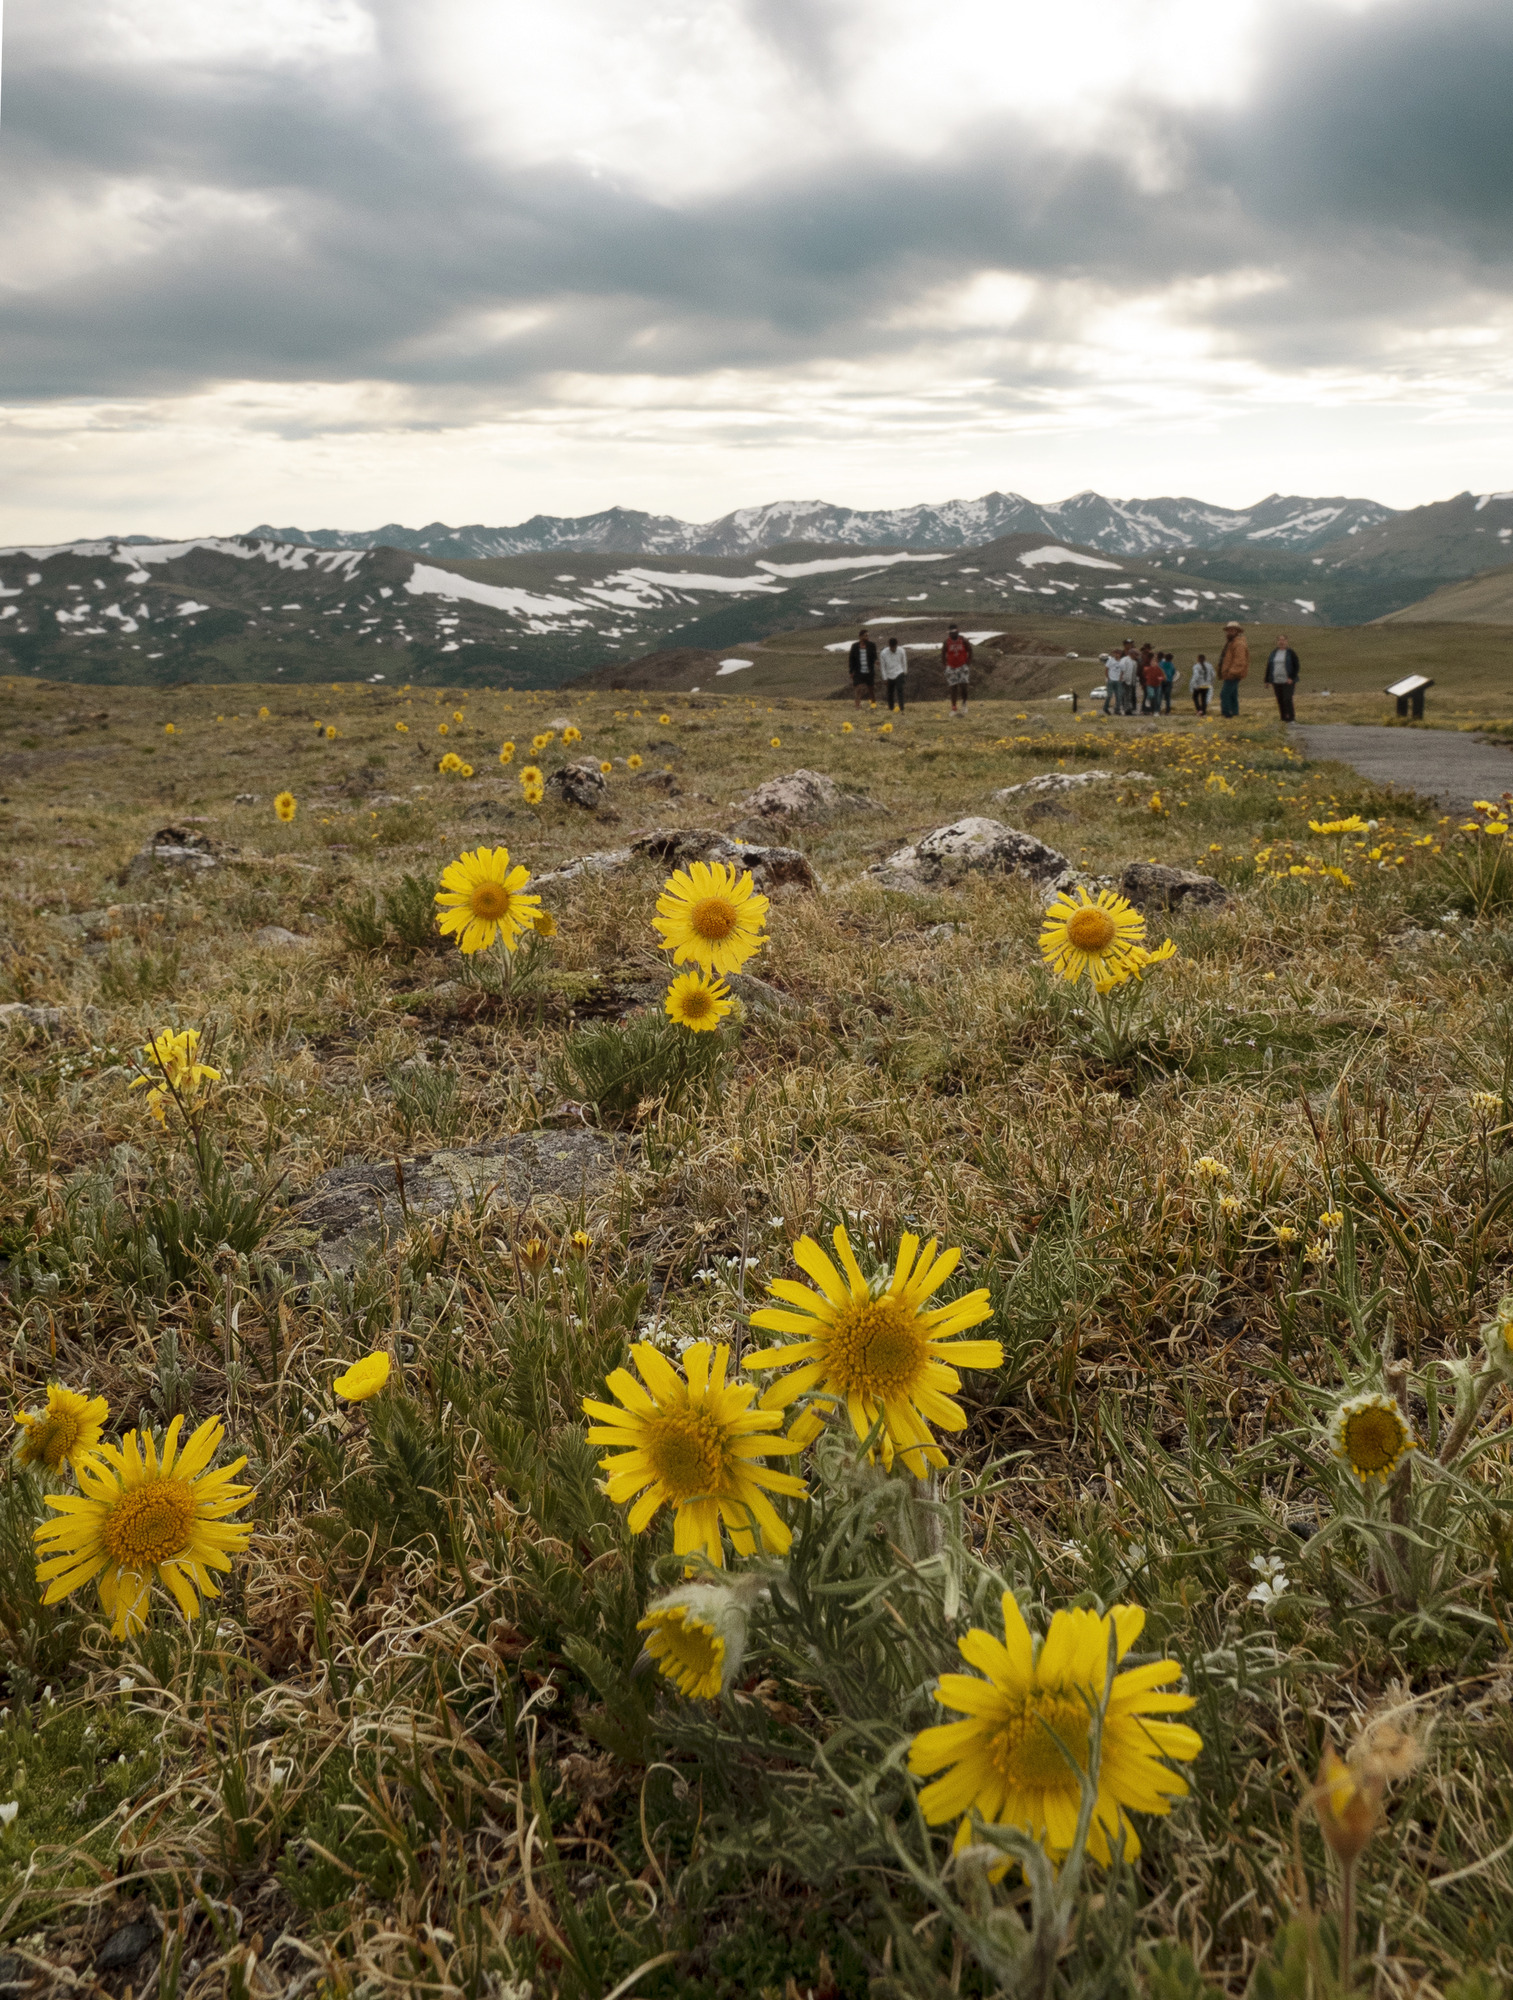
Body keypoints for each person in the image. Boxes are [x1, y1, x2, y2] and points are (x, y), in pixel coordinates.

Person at [1265, 631, 1300, 723]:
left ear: (1287, 641)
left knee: (1287, 698)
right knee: (1280, 699)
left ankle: (1291, 718)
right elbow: (1269, 666)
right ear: (1277, 642)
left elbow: (1296, 666)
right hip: (1276, 680)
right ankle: (1283, 718)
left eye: (1283, 640)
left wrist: (1291, 677)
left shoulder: (1290, 653)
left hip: (1288, 680)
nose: (1281, 642)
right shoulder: (1273, 653)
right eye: (1279, 640)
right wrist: (1267, 680)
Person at [1218, 620, 1248, 718]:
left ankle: (1226, 714)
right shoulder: (1232, 643)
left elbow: (1240, 661)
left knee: (1225, 694)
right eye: (1228, 630)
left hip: (1233, 674)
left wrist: (1232, 672)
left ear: (1237, 631)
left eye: (1232, 630)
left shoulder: (1238, 644)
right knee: (1232, 695)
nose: (1229, 632)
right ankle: (1235, 713)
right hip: (1230, 674)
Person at [941, 625, 973, 715]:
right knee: (953, 687)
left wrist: (968, 662)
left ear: (957, 632)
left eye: (953, 632)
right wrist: (945, 666)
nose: (952, 634)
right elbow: (943, 654)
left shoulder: (963, 640)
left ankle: (964, 704)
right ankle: (954, 708)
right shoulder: (947, 642)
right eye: (950, 633)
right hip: (951, 667)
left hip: (962, 666)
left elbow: (970, 650)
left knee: (963, 686)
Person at [847, 628, 878, 709]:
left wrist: (876, 661)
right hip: (858, 671)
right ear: (860, 637)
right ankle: (857, 705)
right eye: (865, 636)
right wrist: (851, 671)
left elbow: (874, 656)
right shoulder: (855, 646)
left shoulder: (872, 645)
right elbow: (851, 659)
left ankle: (873, 704)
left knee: (871, 689)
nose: (867, 637)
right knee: (858, 688)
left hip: (869, 671)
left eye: (868, 635)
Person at [879, 632, 908, 710]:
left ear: (896, 645)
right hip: (889, 674)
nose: (893, 649)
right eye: (892, 647)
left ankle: (901, 707)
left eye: (894, 647)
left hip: (899, 672)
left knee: (900, 690)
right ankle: (891, 708)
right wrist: (884, 678)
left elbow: (904, 662)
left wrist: (904, 673)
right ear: (889, 646)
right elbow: (883, 666)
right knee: (890, 692)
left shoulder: (901, 651)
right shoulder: (883, 653)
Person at [1139, 645, 1163, 715]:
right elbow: (1143, 673)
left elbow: (1161, 675)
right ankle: (1146, 710)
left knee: (1155, 697)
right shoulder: (1145, 664)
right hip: (1148, 683)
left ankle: (1154, 710)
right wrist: (1144, 681)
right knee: (1149, 695)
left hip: (1156, 684)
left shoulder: (1158, 668)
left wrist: (1160, 679)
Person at [1118, 642, 1138, 714]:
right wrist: (1122, 678)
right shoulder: (1125, 660)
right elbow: (1121, 668)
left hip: (1131, 681)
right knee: (1126, 695)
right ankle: (1126, 709)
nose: (1136, 656)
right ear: (1132, 654)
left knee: (1129, 695)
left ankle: (1128, 708)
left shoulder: (1134, 662)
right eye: (1135, 654)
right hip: (1125, 680)